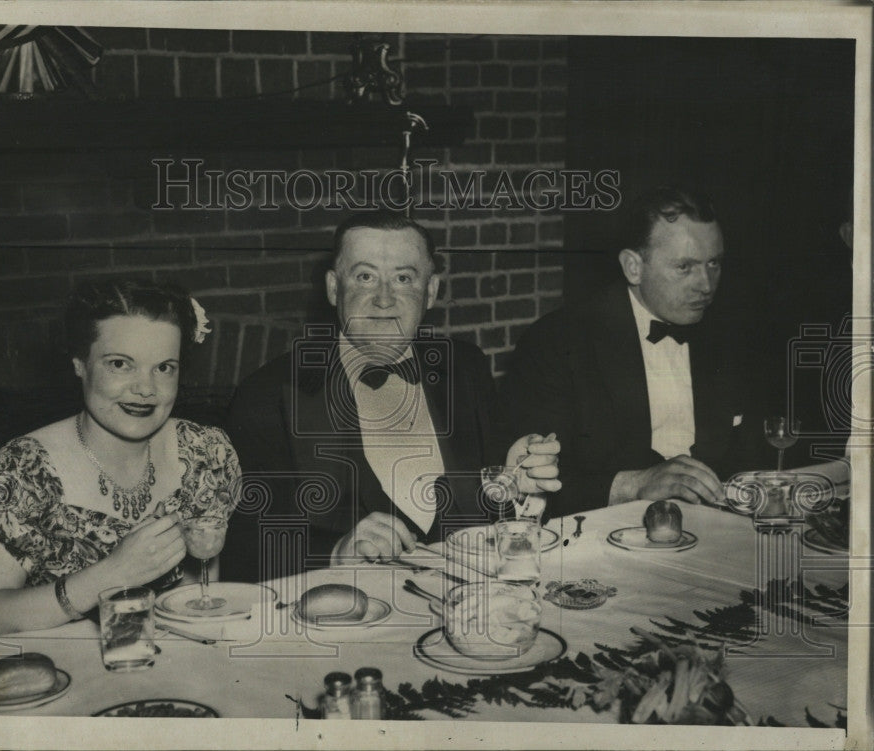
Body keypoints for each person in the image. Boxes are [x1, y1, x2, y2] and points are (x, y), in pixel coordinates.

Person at [222, 211, 559, 582]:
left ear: (431, 291)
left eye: (403, 278)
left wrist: (515, 485)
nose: (384, 299)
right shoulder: (270, 394)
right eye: (365, 276)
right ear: (334, 288)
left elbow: (494, 513)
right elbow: (241, 550)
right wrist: (333, 553)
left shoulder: (465, 369)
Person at [0, 280, 241, 635]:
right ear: (80, 364)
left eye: (164, 367)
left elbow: (198, 599)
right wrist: (112, 573)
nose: (146, 388)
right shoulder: (16, 472)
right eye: (121, 364)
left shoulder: (204, 453)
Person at [503, 185, 759, 516]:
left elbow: (754, 455)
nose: (706, 285)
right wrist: (635, 485)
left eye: (714, 264)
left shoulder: (731, 334)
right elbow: (533, 482)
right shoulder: (558, 342)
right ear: (633, 267)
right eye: (685, 267)